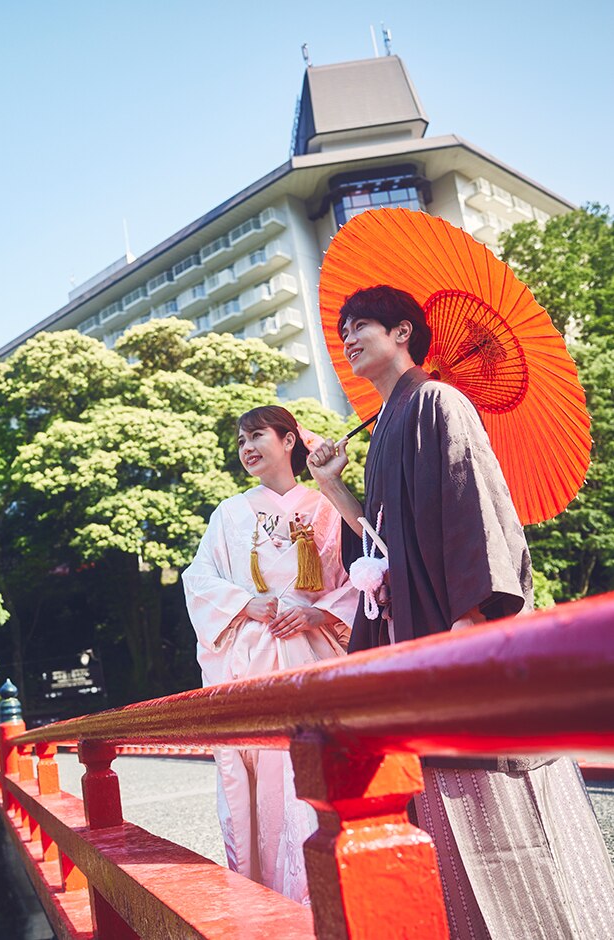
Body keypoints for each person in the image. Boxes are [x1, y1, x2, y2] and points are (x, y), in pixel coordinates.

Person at [307, 284, 614, 939]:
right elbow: (384, 544)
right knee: (445, 824)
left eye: (362, 326)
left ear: (403, 335)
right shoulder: (390, 421)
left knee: (498, 797)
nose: (350, 340)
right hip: (416, 633)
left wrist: (472, 621)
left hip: (452, 633)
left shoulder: (438, 401)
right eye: (344, 332)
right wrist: (332, 483)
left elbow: (471, 504)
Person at [182, 405, 357, 904]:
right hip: (254, 660)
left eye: (257, 435)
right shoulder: (230, 513)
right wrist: (246, 602)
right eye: (240, 440)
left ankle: (332, 892)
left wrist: (318, 614)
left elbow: (358, 576)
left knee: (315, 765)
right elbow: (199, 580)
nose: (246, 448)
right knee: (263, 775)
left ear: (288, 441)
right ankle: (276, 900)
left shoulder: (326, 506)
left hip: (311, 656)